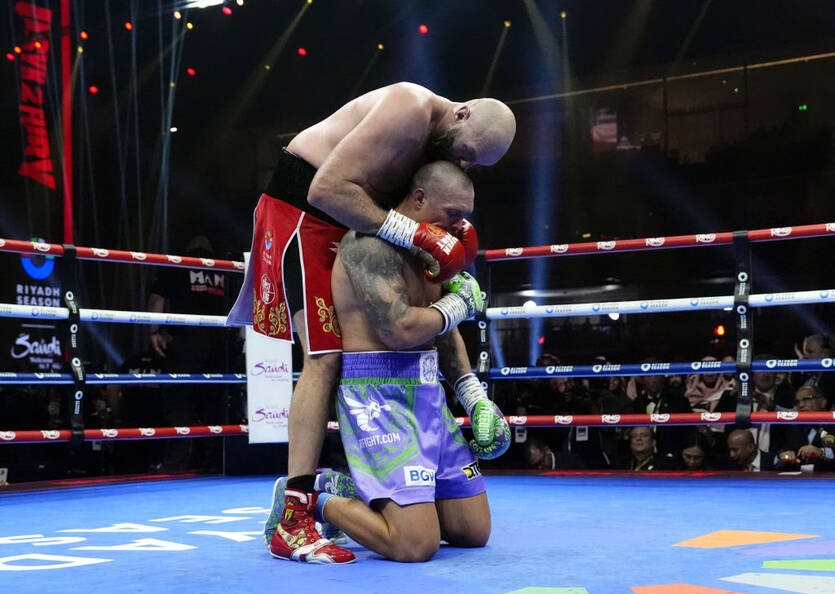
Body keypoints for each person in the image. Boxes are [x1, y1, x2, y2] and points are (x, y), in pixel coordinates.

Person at [229, 82, 516, 562]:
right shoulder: (410, 108)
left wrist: (473, 395)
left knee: (376, 326)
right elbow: (325, 189)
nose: (463, 163)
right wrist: (414, 233)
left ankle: (358, 488)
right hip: (306, 211)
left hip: (354, 219)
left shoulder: (431, 166)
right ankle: (297, 512)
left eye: (473, 164)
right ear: (462, 114)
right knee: (323, 357)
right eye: (466, 153)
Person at [147, 235, 229, 472]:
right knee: (215, 400)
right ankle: (214, 461)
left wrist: (154, 332)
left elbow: (157, 299)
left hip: (186, 339)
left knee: (178, 398)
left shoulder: (179, 264)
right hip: (220, 340)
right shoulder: (224, 269)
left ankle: (178, 460)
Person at [775, 385, 835, 472]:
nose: (801, 405)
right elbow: (779, 458)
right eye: (797, 402)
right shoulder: (793, 431)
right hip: (797, 479)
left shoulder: (833, 426)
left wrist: (821, 452)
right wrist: (782, 456)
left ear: (823, 402)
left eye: (806, 399)